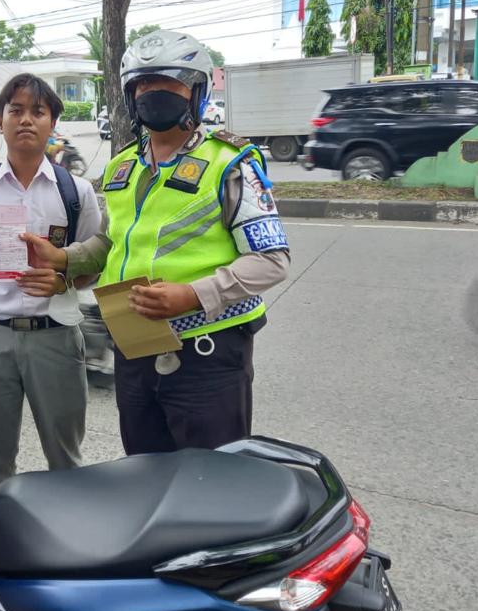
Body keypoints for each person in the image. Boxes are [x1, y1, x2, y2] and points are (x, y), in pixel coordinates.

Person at [25, 29, 290, 456]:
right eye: (143, 84)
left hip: (208, 354)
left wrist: (192, 295)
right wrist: (64, 258)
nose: (153, 92)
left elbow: (271, 260)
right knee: (144, 472)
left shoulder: (230, 163)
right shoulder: (123, 165)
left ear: (196, 91)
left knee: (210, 480)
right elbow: (111, 242)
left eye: (169, 82)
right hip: (135, 348)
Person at [0, 73, 101, 495]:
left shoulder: (76, 192)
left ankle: (67, 531)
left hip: (55, 338)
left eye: (38, 111)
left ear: (52, 123)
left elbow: (93, 269)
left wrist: (62, 277)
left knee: (65, 458)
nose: (26, 119)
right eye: (16, 110)